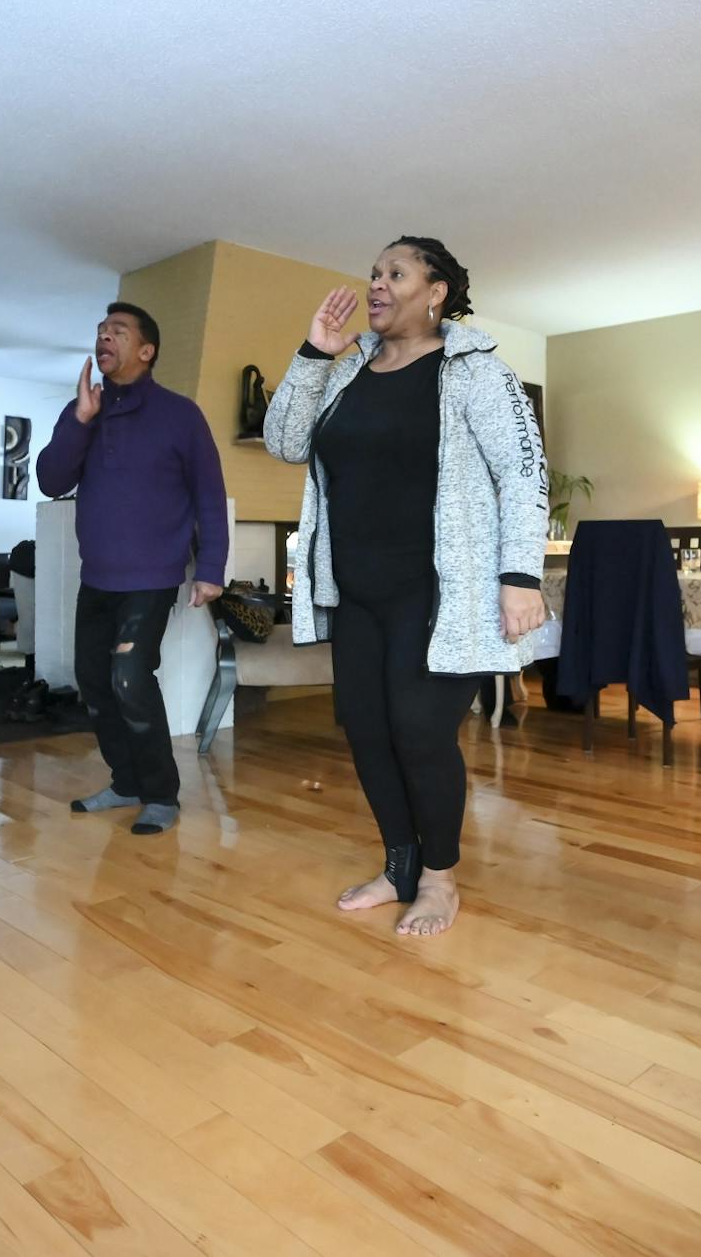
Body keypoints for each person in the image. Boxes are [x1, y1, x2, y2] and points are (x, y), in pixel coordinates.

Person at [264, 238, 548, 937]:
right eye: (373, 273)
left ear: (437, 290)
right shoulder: (348, 368)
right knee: (366, 730)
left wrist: (520, 576)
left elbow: (523, 470)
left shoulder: (476, 371)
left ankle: (440, 879)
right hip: (356, 591)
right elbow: (284, 441)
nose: (377, 284)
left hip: (440, 590)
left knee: (420, 731)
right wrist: (312, 354)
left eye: (396, 272)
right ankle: (399, 867)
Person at [36, 302, 229, 836]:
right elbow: (51, 481)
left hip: (152, 575)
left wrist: (210, 567)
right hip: (95, 575)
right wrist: (79, 420)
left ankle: (162, 794)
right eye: (100, 330)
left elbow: (209, 496)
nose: (105, 337)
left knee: (129, 677)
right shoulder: (84, 411)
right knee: (93, 679)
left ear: (146, 351)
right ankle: (126, 782)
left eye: (117, 331)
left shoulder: (180, 415)